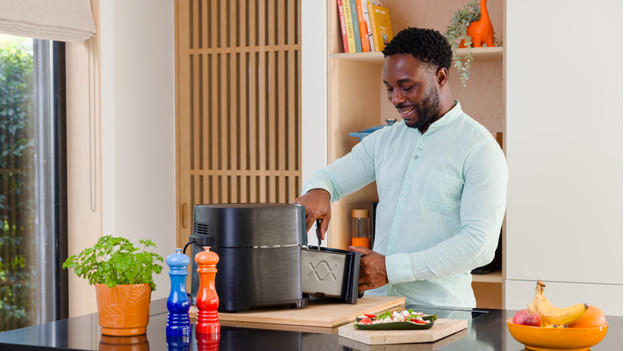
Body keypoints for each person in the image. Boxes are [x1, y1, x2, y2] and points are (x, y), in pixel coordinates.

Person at [294, 27, 507, 308]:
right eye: (389, 89)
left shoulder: (479, 148)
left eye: (407, 87)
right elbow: (332, 177)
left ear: (440, 77)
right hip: (374, 311)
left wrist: (391, 268)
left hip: (442, 316)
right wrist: (319, 190)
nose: (396, 99)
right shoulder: (384, 140)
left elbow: (478, 246)